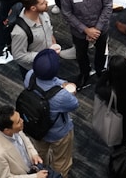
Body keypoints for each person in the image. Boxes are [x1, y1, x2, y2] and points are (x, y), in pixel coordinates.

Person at [24, 49, 79, 178]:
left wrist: (61, 84)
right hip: (59, 133)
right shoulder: (61, 96)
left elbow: (51, 81)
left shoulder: (29, 76)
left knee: (39, 155)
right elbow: (74, 104)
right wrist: (67, 88)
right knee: (61, 161)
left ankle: (40, 171)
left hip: (36, 128)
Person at [60, 0, 113, 90]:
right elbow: (67, 13)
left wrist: (97, 28)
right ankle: (84, 72)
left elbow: (108, 6)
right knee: (81, 54)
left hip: (101, 28)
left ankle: (100, 70)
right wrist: (85, 30)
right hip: (79, 31)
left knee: (101, 51)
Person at [0, 105, 45, 178]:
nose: (22, 121)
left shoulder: (11, 127)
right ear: (7, 130)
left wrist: (33, 154)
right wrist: (35, 177)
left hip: (31, 168)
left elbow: (25, 140)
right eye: (18, 122)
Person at [10, 0, 58, 73]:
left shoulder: (44, 14)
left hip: (49, 60)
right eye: (42, 3)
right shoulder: (20, 32)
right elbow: (19, 56)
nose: (46, 2)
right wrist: (43, 55)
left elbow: (49, 30)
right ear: (33, 8)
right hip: (34, 68)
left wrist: (53, 42)